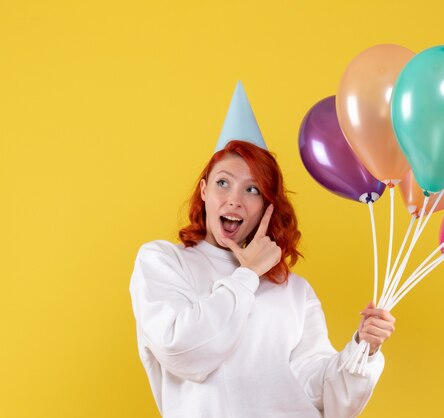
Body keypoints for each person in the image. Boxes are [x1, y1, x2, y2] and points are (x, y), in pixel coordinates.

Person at [129, 83, 396, 418]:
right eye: (222, 183)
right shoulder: (164, 261)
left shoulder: (294, 291)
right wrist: (247, 275)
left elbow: (321, 395)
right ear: (204, 190)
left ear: (267, 205)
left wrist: (363, 347)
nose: (234, 200)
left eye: (252, 189)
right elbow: (183, 351)